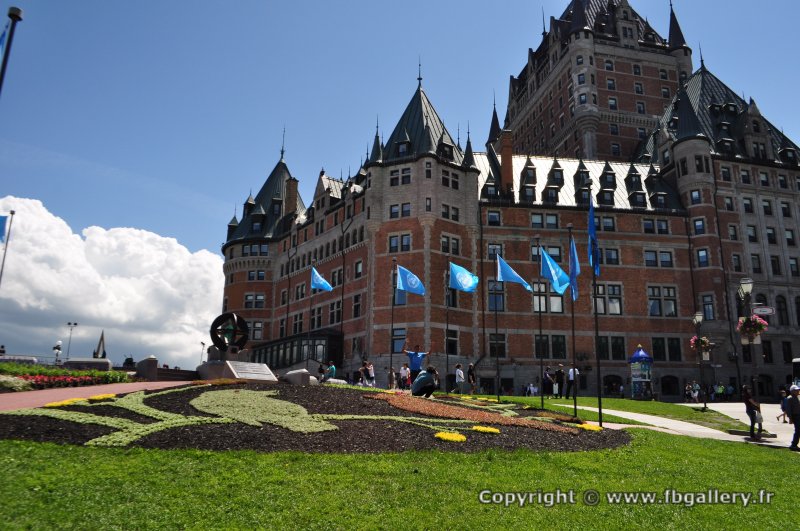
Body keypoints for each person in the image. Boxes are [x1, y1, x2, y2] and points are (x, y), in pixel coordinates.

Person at [787, 385, 800, 452]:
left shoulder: (796, 397)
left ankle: (794, 444)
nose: (798, 391)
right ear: (792, 391)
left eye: (798, 390)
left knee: (798, 431)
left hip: (798, 415)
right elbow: (788, 410)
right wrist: (790, 418)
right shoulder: (790, 398)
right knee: (798, 431)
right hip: (795, 416)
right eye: (796, 390)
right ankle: (793, 445)